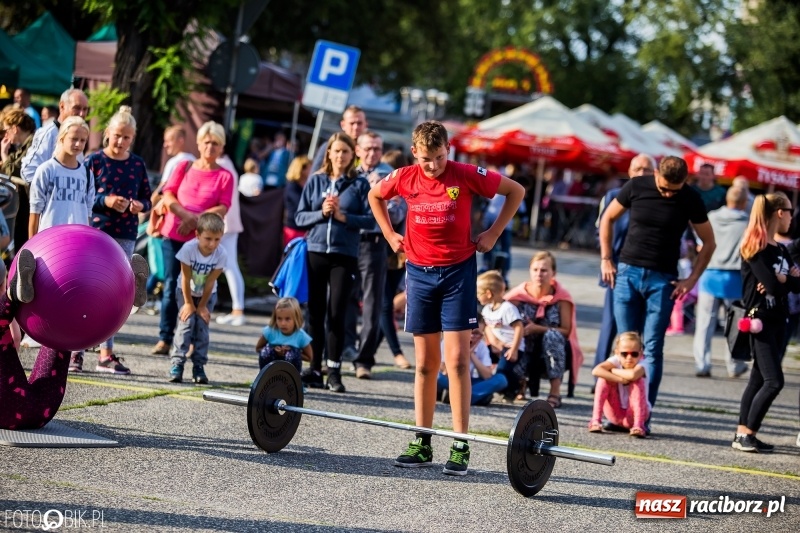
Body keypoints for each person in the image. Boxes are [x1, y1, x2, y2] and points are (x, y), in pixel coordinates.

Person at [369, 120, 524, 476]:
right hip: (420, 274)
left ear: (448, 151)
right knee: (425, 364)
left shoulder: (467, 174)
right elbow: (374, 196)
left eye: (438, 158)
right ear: (414, 154)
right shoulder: (405, 176)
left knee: (455, 362)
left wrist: (494, 232)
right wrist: (390, 235)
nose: (433, 166)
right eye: (426, 159)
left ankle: (459, 444)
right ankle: (422, 441)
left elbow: (516, 190)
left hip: (458, 273)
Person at [600, 156, 715, 433]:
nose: (667, 194)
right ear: (655, 174)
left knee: (652, 348)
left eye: (673, 190)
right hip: (627, 273)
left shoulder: (690, 198)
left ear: (684, 182)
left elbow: (709, 242)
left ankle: (643, 414)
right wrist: (606, 258)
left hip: (663, 280)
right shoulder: (636, 186)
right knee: (624, 348)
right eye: (664, 188)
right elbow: (608, 219)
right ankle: (618, 414)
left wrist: (692, 279)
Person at [75, 105, 151, 375]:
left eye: (127, 137)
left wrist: (138, 206)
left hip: (126, 234)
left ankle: (106, 353)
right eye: (117, 135)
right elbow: (82, 194)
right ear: (107, 133)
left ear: (133, 138)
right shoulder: (95, 161)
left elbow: (147, 199)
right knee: (87, 289)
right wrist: (105, 200)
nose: (120, 142)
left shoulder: (138, 164)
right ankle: (76, 351)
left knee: (115, 294)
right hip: (97, 231)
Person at [295, 132, 373, 393]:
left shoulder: (360, 184)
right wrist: (322, 213)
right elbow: (299, 217)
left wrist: (343, 217)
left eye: (345, 152)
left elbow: (370, 220)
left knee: (337, 312)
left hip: (345, 254)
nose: (340, 156)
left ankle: (335, 370)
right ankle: (315, 368)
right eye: (336, 151)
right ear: (328, 152)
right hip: (316, 250)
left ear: (353, 156)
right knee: (315, 312)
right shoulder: (316, 180)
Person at [151, 122, 234, 357]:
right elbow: (168, 193)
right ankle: (165, 338)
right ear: (198, 144)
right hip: (174, 232)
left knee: (198, 289)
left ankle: (191, 340)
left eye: (216, 143)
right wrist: (185, 215)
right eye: (207, 142)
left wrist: (197, 219)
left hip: (203, 241)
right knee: (171, 285)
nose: (210, 147)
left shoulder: (225, 176)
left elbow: (223, 206)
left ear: (222, 147)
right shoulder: (183, 166)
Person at [732, 192, 799, 453]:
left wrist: (783, 280)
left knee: (758, 380)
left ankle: (742, 434)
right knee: (774, 381)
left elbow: (793, 284)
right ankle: (748, 432)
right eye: (790, 211)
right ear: (779, 213)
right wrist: (784, 279)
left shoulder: (781, 249)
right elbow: (773, 285)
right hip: (759, 320)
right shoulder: (756, 248)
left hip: (778, 320)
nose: (793, 217)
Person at [592, 154, 655, 388]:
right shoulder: (612, 196)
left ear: (655, 174)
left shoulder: (656, 199)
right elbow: (599, 231)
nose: (641, 174)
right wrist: (606, 259)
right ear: (629, 171)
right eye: (637, 169)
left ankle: (632, 376)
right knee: (610, 324)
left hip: (645, 269)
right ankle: (602, 376)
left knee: (636, 327)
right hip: (615, 267)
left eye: (646, 170)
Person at [0, 250, 70, 429]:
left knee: (65, 335)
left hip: (25, 413)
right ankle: (120, 291)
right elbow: (16, 339)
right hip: (37, 406)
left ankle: (14, 293)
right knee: (58, 339)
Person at [505, 251, 582, 407]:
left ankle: (555, 392)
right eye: (535, 270)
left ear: (553, 273)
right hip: (524, 349)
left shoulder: (562, 298)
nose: (539, 274)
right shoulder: (517, 296)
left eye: (544, 270)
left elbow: (566, 331)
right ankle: (519, 384)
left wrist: (538, 329)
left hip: (552, 352)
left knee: (552, 336)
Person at [349, 131, 396, 379]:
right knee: (340, 297)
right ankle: (342, 350)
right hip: (347, 240)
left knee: (372, 303)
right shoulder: (349, 171)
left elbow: (399, 214)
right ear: (358, 150)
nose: (372, 153)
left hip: (374, 243)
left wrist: (379, 202)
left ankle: (363, 359)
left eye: (377, 149)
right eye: (367, 149)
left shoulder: (390, 174)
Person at [692, 186, 749, 378]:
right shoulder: (747, 223)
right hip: (735, 279)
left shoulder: (712, 217)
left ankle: (702, 363)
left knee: (704, 324)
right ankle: (734, 365)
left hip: (710, 274)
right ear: (743, 202)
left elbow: (700, 242)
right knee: (734, 325)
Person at [168, 213, 227, 384]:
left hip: (207, 295)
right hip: (185, 292)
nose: (212, 244)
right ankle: (177, 364)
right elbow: (185, 278)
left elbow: (210, 282)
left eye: (217, 239)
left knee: (202, 327)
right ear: (197, 235)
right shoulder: (188, 249)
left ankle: (199, 366)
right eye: (208, 238)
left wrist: (202, 306)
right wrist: (187, 303)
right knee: (186, 324)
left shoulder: (221, 254)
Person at [28, 117, 94, 236]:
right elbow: (35, 212)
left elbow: (87, 213)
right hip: (49, 241)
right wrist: (32, 248)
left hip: (78, 241)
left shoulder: (87, 174)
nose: (78, 144)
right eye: (73, 139)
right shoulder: (46, 170)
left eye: (83, 140)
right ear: (62, 138)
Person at [376, 149, 411, 370]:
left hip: (398, 253)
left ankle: (375, 352)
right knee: (385, 305)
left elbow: (398, 217)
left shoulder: (403, 192)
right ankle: (390, 352)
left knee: (385, 305)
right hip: (386, 252)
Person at [588, 331, 650, 438]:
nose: (629, 358)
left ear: (641, 353)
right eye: (624, 354)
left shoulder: (643, 364)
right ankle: (595, 420)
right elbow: (596, 371)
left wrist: (612, 370)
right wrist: (620, 379)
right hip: (615, 413)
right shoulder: (615, 360)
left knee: (637, 381)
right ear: (617, 353)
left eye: (634, 354)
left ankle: (639, 425)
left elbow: (632, 375)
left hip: (636, 414)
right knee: (603, 378)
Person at [21, 88, 89, 185]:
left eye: (85, 109)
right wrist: (50, 194)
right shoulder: (48, 133)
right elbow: (28, 171)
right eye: (76, 108)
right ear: (62, 106)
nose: (81, 113)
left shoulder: (80, 136)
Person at [437, 317, 508, 406]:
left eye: (477, 334)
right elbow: (444, 372)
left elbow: (487, 375)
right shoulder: (448, 342)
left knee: (501, 379)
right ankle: (478, 397)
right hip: (451, 380)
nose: (472, 336)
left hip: (470, 382)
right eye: (471, 332)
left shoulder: (481, 347)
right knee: (437, 377)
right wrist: (462, 352)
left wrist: (471, 354)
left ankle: (458, 398)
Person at [477, 270, 524, 402]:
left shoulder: (507, 308)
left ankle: (515, 388)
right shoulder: (486, 310)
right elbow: (486, 328)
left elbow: (519, 327)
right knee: (482, 365)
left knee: (502, 371)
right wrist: (491, 344)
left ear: (488, 293)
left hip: (511, 346)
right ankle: (483, 388)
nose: (477, 297)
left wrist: (514, 349)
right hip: (496, 346)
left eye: (479, 293)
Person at [214, 154, 247, 327]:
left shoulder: (222, 166)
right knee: (230, 266)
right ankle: (237, 309)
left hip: (223, 222)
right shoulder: (228, 164)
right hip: (228, 222)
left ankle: (238, 309)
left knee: (228, 267)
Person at [0, 109, 36, 253]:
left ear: (15, 129)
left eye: (6, 130)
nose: (5, 135)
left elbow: (14, 169)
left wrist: (3, 153)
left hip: (29, 203)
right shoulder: (24, 146)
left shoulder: (32, 144)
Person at [255, 296, 312, 373]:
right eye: (279, 318)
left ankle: (293, 382)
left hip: (289, 374)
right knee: (266, 352)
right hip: (271, 370)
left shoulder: (300, 336)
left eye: (287, 319)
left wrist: (292, 352)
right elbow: (258, 348)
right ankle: (264, 378)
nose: (283, 323)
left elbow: (309, 357)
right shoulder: (270, 331)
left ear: (296, 318)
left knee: (292, 355)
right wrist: (273, 351)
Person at [311, 106, 368, 172]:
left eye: (359, 123)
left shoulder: (373, 150)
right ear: (343, 125)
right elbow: (314, 177)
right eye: (352, 123)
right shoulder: (330, 147)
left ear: (366, 124)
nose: (356, 127)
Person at [282, 155, 310, 246]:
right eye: (310, 168)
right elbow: (300, 204)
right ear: (301, 169)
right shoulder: (292, 186)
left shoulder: (305, 186)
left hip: (303, 228)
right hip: (293, 228)